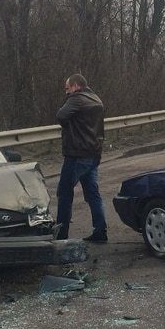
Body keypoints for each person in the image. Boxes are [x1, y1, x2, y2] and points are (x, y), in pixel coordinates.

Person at [55, 73, 107, 242]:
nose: (66, 92)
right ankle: (100, 231)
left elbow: (61, 116)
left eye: (67, 88)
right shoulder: (96, 99)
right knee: (93, 193)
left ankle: (61, 235)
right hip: (93, 154)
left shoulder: (76, 99)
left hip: (77, 154)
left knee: (64, 192)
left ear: (76, 86)